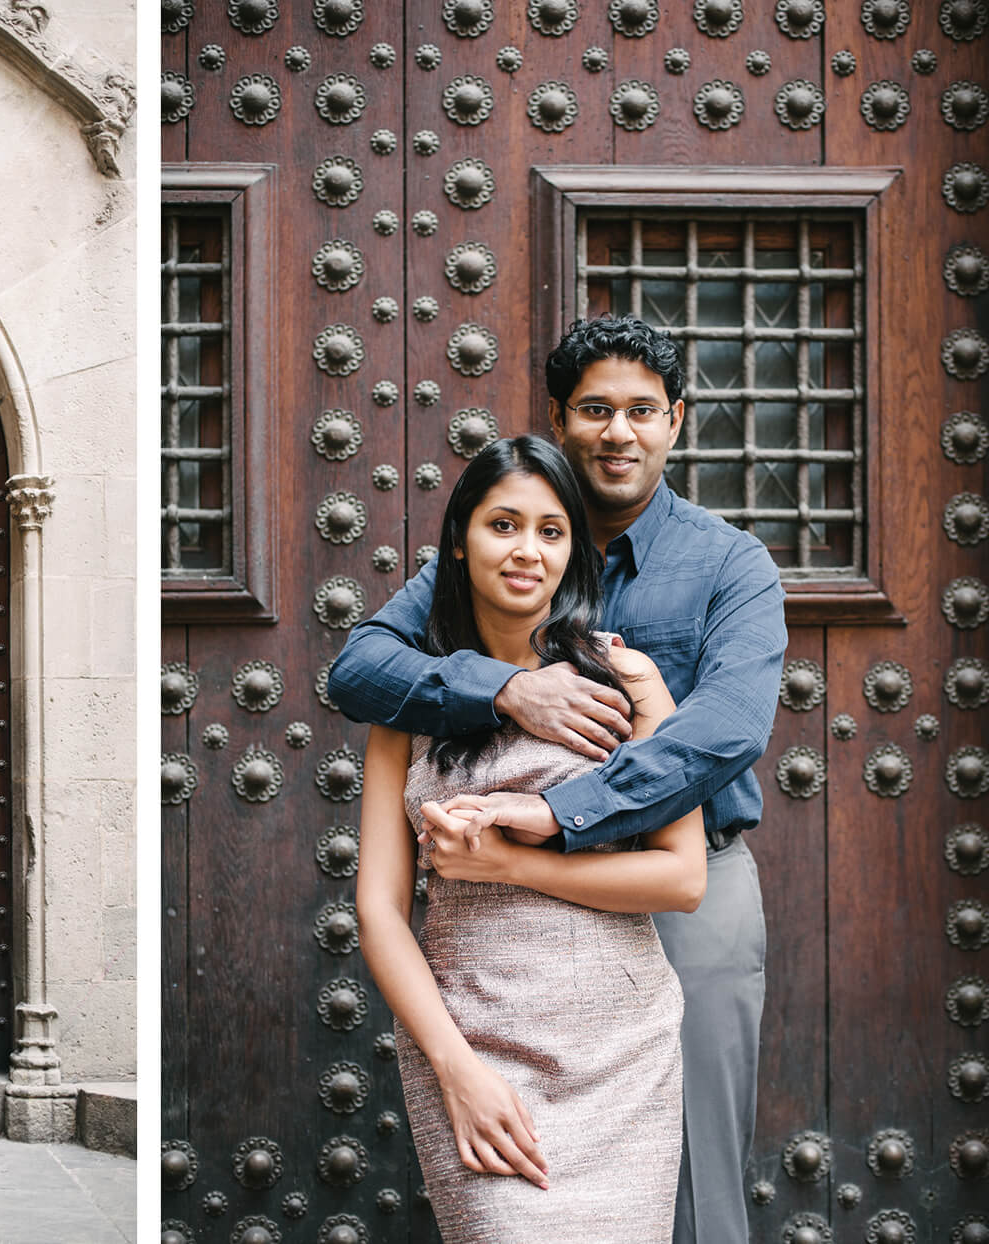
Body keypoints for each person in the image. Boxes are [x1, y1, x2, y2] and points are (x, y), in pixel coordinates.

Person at [332, 315, 786, 1243]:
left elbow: (727, 731)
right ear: (561, 417)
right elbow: (360, 669)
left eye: (642, 412)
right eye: (595, 410)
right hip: (498, 944)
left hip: (679, 883)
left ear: (676, 423)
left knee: (696, 1187)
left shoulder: (729, 564)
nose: (618, 432)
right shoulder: (499, 537)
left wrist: (553, 814)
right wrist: (508, 690)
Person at [357, 434, 706, 1241]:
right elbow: (378, 911)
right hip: (476, 1043)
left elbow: (681, 878)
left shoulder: (628, 681)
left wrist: (511, 864)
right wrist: (456, 1071)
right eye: (503, 525)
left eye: (551, 532)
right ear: (458, 539)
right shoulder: (406, 700)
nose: (527, 551)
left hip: (621, 1050)